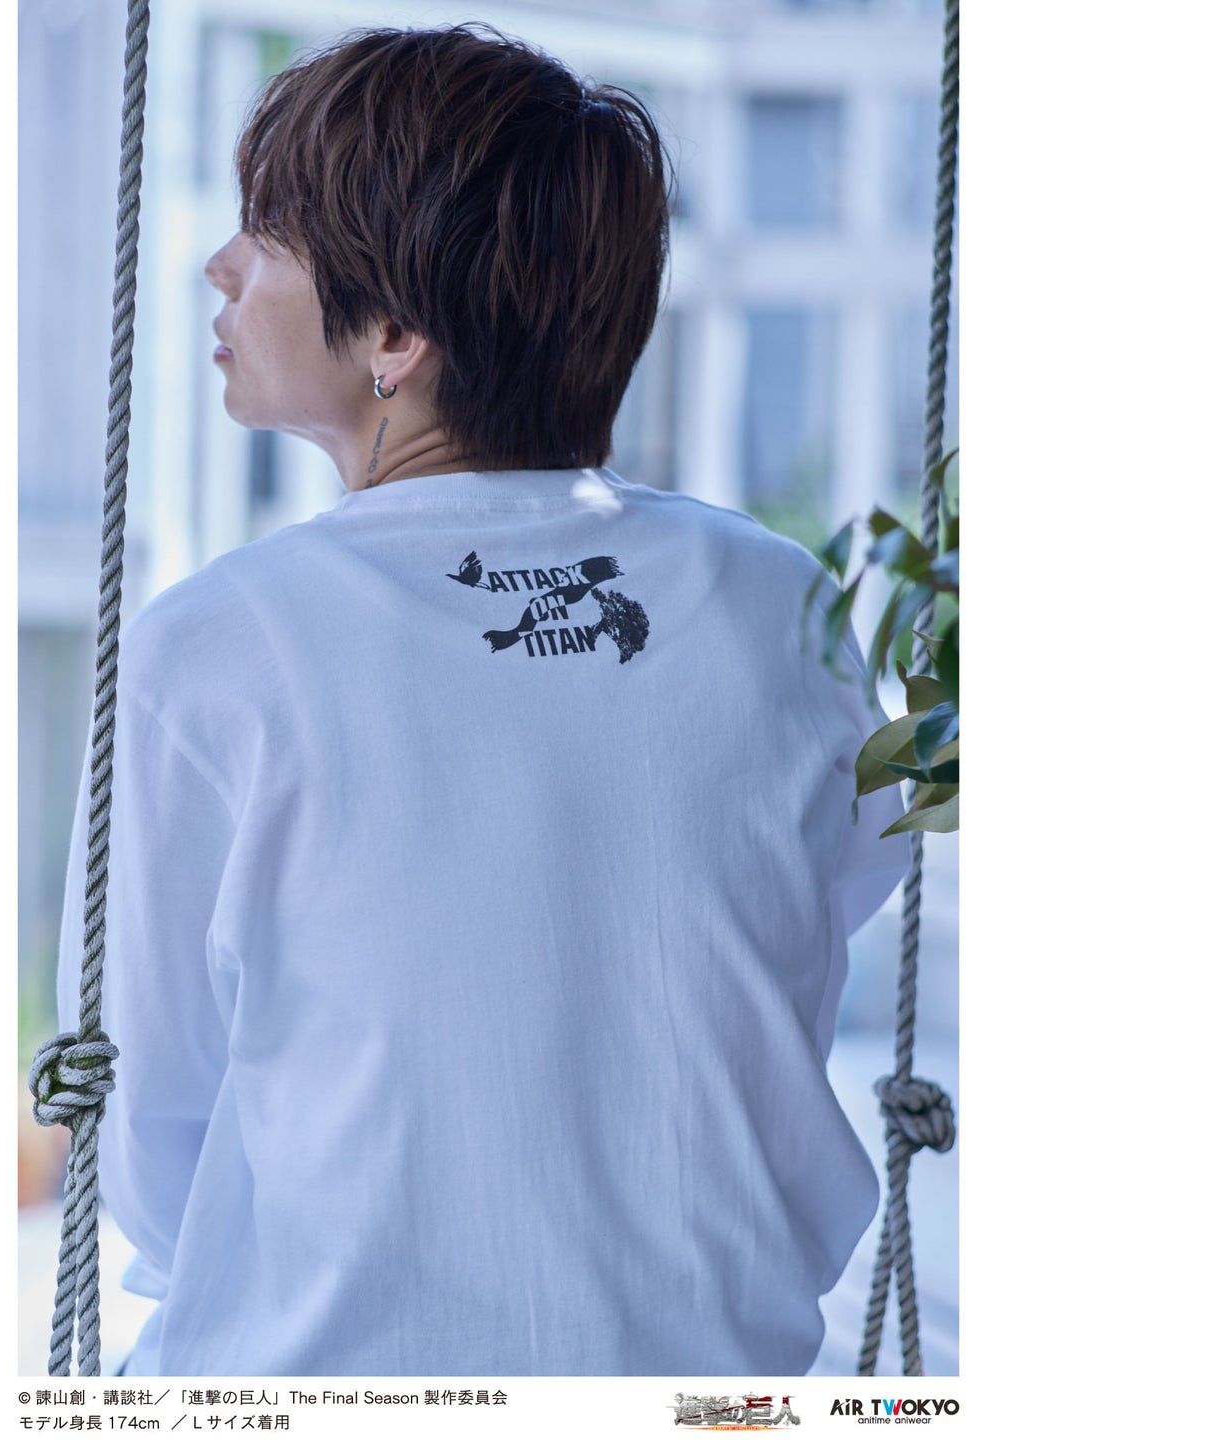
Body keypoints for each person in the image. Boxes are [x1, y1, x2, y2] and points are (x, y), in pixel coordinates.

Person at [55, 22, 912, 1377]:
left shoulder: (213, 647)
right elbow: (801, 929)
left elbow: (153, 1143)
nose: (221, 264)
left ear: (396, 334)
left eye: (267, 233)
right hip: (710, 1387)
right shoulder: (777, 606)